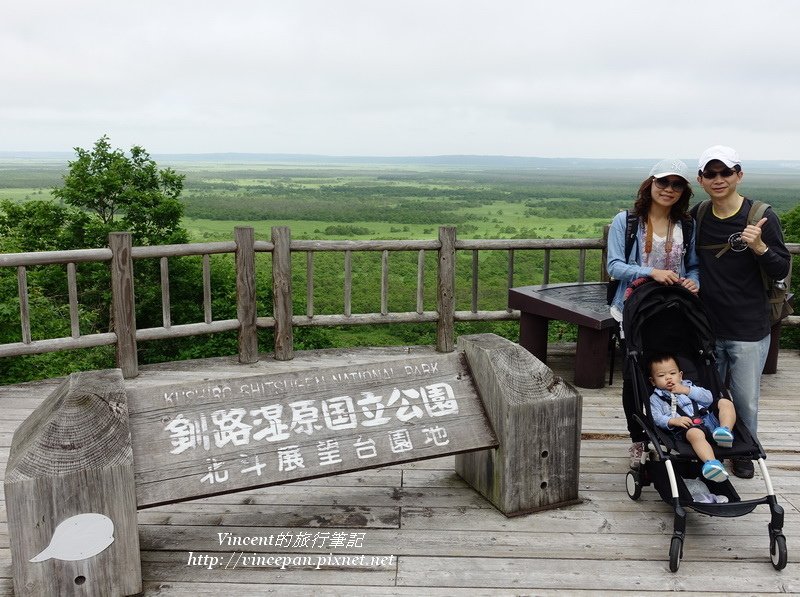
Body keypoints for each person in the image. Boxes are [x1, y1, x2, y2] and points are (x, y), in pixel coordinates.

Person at [690, 145, 791, 479]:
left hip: (749, 327)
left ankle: (744, 451)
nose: (719, 179)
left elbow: (780, 268)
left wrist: (759, 246)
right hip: (707, 324)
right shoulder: (699, 215)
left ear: (739, 175)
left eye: (726, 172)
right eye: (711, 173)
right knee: (709, 395)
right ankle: (711, 448)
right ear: (701, 179)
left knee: (745, 400)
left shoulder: (761, 216)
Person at [606, 158, 700, 468]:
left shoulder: (686, 224)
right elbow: (615, 266)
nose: (668, 189)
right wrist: (652, 272)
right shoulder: (628, 221)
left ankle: (673, 429)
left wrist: (692, 280)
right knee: (636, 376)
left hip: (673, 310)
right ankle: (638, 439)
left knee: (670, 372)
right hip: (633, 309)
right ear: (651, 184)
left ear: (683, 191)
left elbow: (694, 265)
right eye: (663, 182)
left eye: (676, 185)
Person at [648, 353, 736, 482]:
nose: (668, 378)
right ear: (653, 381)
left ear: (680, 375)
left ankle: (725, 431)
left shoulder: (689, 387)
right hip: (687, 428)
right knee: (695, 434)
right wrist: (672, 421)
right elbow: (655, 418)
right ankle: (712, 464)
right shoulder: (655, 399)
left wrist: (686, 390)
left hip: (708, 420)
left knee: (725, 402)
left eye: (672, 373)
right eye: (661, 376)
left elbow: (709, 398)